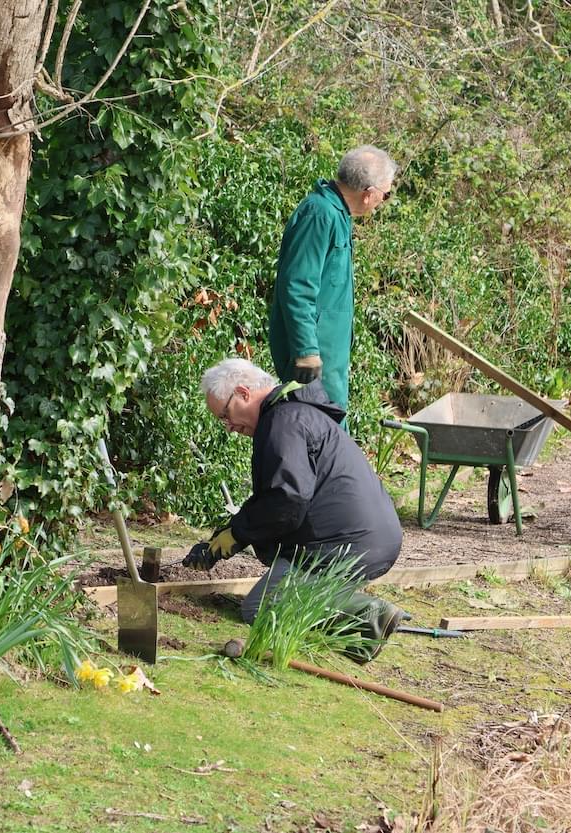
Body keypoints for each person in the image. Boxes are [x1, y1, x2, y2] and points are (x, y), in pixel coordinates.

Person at [183, 358, 404, 662]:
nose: (229, 427)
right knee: (269, 600)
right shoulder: (293, 414)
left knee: (258, 607)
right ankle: (346, 615)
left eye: (225, 414)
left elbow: (286, 502)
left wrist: (239, 533)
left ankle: (368, 614)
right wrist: (231, 534)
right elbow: (278, 495)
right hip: (362, 538)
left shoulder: (283, 422)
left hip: (347, 545)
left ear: (244, 393)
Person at [268, 145, 398, 414]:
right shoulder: (319, 214)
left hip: (329, 357)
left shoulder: (337, 215)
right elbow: (297, 285)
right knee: (323, 435)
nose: (381, 202)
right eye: (385, 195)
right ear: (368, 194)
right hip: (314, 358)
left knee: (330, 433)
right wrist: (305, 349)